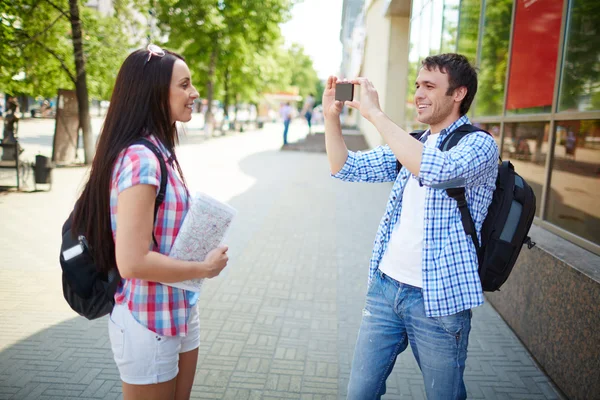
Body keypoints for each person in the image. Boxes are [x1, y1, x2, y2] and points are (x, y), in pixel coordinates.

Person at [323, 53, 499, 399]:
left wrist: (375, 113)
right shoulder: (415, 142)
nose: (418, 93)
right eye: (418, 85)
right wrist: (332, 118)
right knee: (359, 393)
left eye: (430, 86)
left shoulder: (480, 144)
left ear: (458, 94)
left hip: (438, 300)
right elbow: (346, 167)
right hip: (386, 289)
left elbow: (435, 170)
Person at [70, 44, 229, 400]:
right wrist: (202, 268)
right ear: (156, 93)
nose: (194, 93)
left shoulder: (161, 150)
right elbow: (132, 262)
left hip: (179, 310)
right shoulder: (141, 158)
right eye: (184, 85)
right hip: (148, 319)